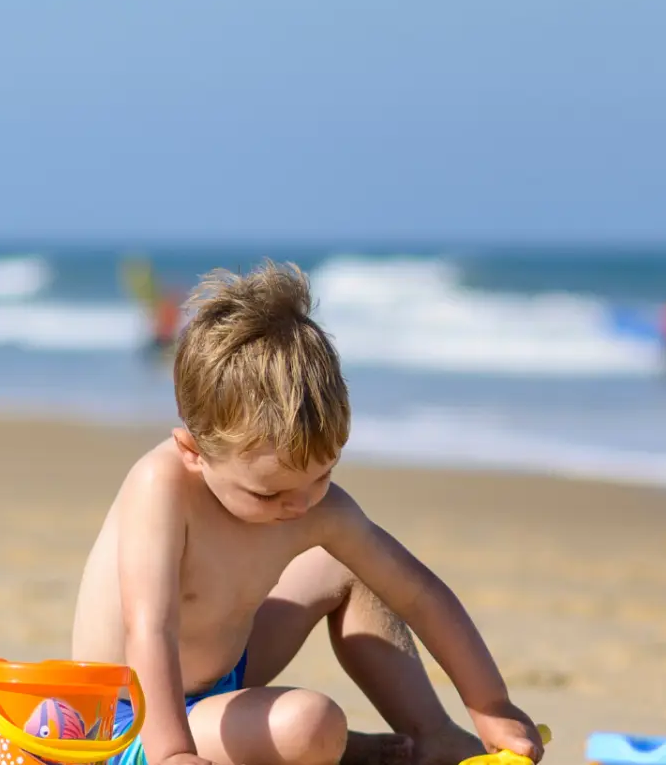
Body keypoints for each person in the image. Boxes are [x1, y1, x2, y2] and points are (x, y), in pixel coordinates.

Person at [70, 260, 544, 765]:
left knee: (350, 564)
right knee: (313, 723)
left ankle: (430, 734)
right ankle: (336, 749)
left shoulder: (314, 505)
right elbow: (150, 627)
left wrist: (492, 704)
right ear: (193, 451)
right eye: (269, 494)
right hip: (128, 716)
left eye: (321, 476)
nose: (298, 505)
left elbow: (420, 595)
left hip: (226, 679)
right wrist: (171, 754)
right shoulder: (161, 486)